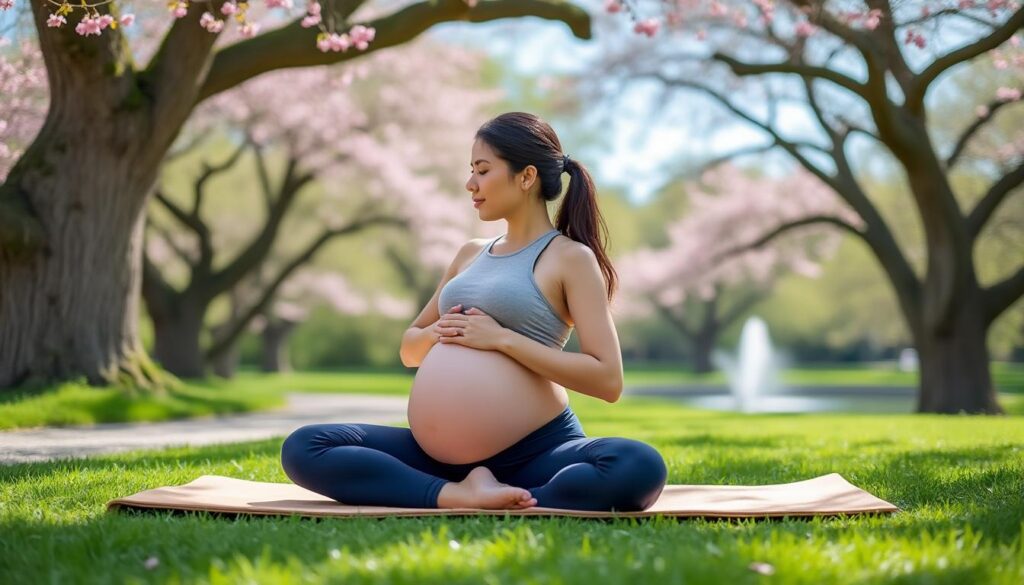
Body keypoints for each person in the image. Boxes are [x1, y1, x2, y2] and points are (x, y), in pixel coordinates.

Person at [281, 112, 667, 511]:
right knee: (305, 446)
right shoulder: (469, 253)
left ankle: (517, 495)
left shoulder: (570, 258)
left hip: (533, 453)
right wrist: (437, 334)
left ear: (526, 176)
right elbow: (410, 350)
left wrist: (501, 339)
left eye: (482, 171)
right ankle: (459, 495)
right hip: (435, 458)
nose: (471, 184)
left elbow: (608, 380)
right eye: (471, 171)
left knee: (638, 466)